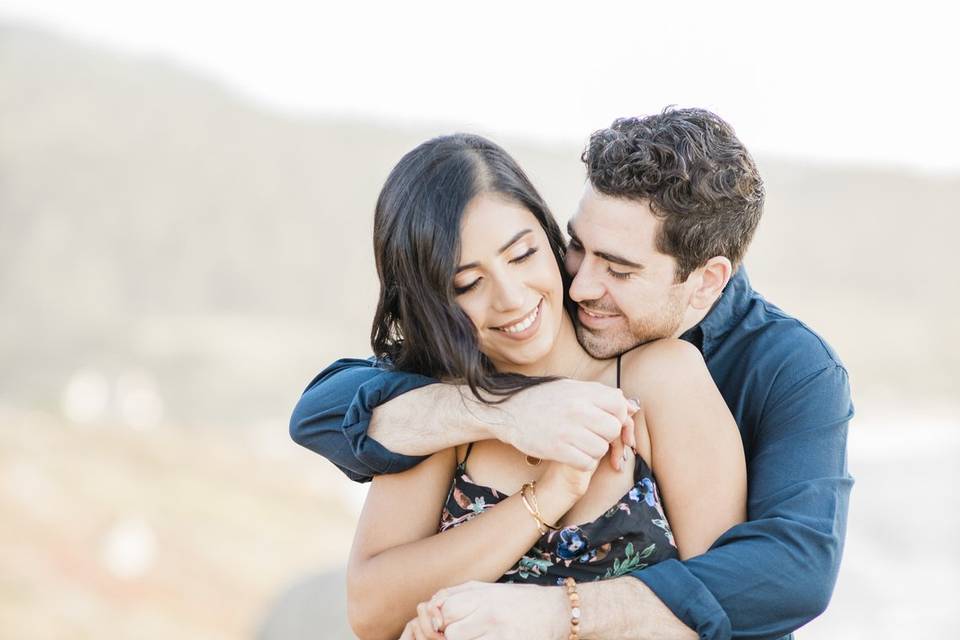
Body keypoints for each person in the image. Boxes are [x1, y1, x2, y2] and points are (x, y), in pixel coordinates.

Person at [291, 108, 854, 640]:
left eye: (619, 270)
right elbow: (372, 604)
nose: (580, 287)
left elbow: (774, 581)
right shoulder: (443, 392)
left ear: (706, 280)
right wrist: (517, 435)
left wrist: (559, 613)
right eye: (578, 249)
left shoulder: (754, 371)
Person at [340, 133, 746, 640]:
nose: (511, 298)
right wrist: (546, 497)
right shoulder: (440, 403)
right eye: (468, 284)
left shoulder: (663, 379)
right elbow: (371, 612)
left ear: (552, 238)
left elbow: (732, 613)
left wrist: (555, 619)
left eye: (523, 255)